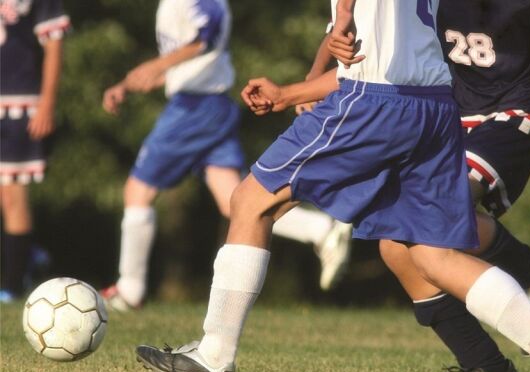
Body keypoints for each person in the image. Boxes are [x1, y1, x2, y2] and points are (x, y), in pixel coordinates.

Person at [134, 1, 530, 372]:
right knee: (430, 250)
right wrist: (293, 90)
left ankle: (214, 354)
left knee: (251, 201)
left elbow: (358, 45)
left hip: (374, 100)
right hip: (436, 106)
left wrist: (342, 17)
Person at [296, 0, 530, 372]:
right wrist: (304, 85)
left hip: (522, 112)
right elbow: (353, 38)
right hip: (454, 115)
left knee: (430, 227)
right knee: (395, 245)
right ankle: (488, 364)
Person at [100, 0, 351, 311]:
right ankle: (321, 230)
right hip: (207, 105)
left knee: (137, 191)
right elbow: (190, 58)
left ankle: (130, 289)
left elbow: (206, 37)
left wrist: (158, 65)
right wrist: (129, 83)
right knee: (234, 202)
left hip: (195, 108)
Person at [0, 0, 70, 302]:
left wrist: (47, 103)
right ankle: (28, 254)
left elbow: (54, 47)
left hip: (20, 105)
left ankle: (13, 285)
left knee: (11, 192)